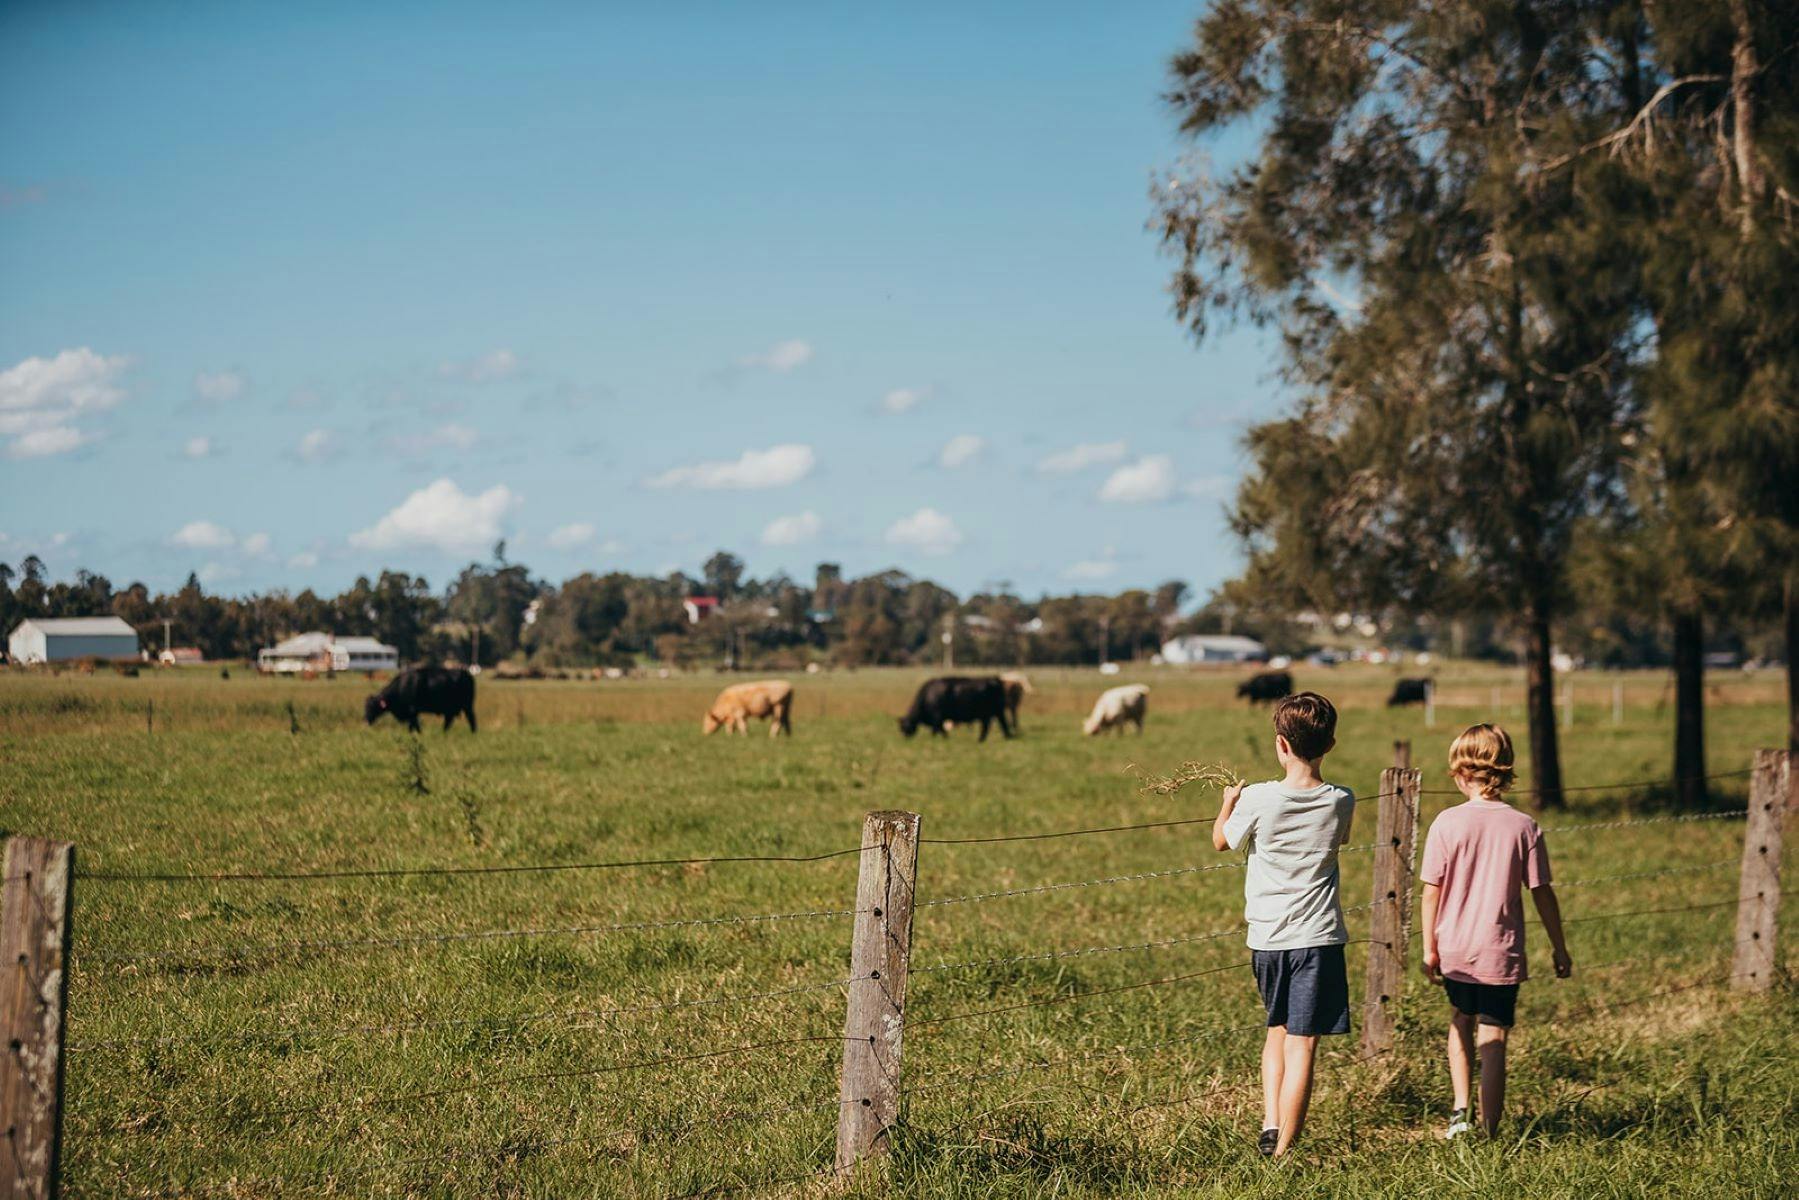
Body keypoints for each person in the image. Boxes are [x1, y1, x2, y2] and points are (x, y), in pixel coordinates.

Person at [1213, 691, 1355, 1158]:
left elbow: (1222, 842)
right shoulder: (1341, 801)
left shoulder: (1257, 798)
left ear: (1280, 744)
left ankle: (1271, 1123)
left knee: (1276, 1029)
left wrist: (1228, 803)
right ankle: (1286, 1150)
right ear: (1330, 744)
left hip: (1268, 938)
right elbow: (1340, 841)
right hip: (1317, 938)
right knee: (1303, 1044)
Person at [1419, 723, 1573, 1139]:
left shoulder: (1446, 823)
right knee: (1494, 1034)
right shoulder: (1525, 827)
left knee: (1460, 1021)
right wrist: (1560, 948)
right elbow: (1542, 894)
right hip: (1500, 952)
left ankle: (1459, 1111)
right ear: (1505, 770)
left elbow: (1430, 892)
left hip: (1454, 948)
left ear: (1461, 772)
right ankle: (1490, 1129)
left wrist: (1428, 948)